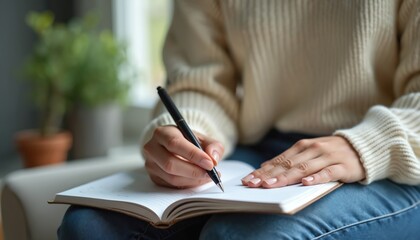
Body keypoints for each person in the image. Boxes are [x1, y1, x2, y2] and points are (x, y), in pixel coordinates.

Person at [58, 0, 420, 239]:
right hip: (266, 147)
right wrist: (191, 136)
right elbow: (202, 81)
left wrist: (365, 145)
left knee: (238, 237)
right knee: (89, 227)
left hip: (388, 161)